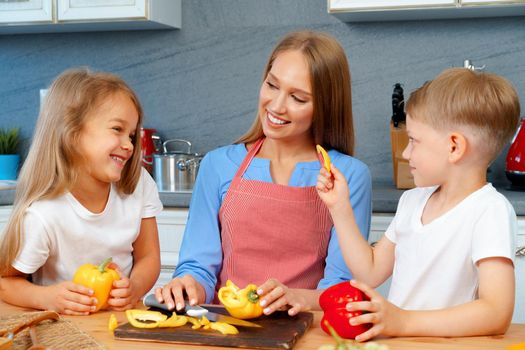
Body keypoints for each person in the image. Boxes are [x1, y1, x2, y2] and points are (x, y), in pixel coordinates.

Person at [155, 30, 372, 316]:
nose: (277, 105)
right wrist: (188, 285)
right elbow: (199, 269)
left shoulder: (347, 176)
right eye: (272, 85)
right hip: (226, 331)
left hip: (307, 331)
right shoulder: (218, 165)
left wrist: (296, 298)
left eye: (298, 97)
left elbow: (341, 288)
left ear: (324, 106)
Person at [317, 67, 520, 341]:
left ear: (454, 147)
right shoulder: (412, 201)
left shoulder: (489, 211)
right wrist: (339, 208)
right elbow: (370, 270)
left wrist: (404, 321)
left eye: (413, 140)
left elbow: (496, 313)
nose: (405, 152)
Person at [0, 68, 163, 315]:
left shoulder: (138, 183)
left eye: (131, 135)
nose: (129, 145)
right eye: (117, 129)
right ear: (72, 133)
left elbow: (149, 257)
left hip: (121, 323)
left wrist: (135, 287)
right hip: (65, 329)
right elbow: (5, 283)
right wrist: (47, 298)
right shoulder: (44, 214)